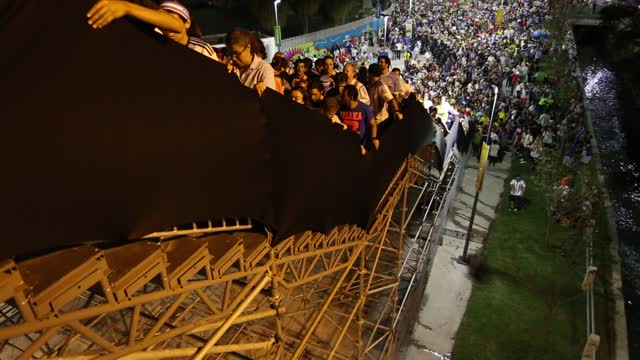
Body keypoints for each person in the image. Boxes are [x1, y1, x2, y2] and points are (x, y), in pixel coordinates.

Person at [87, 0, 219, 61]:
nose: (162, 23)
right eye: (158, 18)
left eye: (167, 17)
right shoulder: (156, 37)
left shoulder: (202, 48)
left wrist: (125, 7)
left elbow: (176, 25)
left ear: (187, 23)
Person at [225, 27, 275, 95]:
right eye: (230, 54)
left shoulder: (264, 69)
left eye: (237, 53)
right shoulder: (230, 68)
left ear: (248, 47)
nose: (233, 58)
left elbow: (270, 100)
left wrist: (261, 91)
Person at [339, 85, 377, 150]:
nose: (342, 97)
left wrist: (373, 139)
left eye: (344, 95)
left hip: (360, 145)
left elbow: (373, 125)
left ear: (351, 97)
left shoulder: (365, 108)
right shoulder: (341, 108)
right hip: (344, 143)